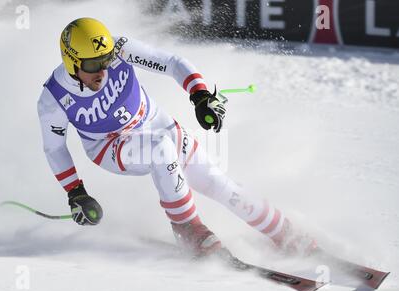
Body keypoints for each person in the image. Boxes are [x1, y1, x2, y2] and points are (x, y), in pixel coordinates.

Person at [37, 17, 315, 257]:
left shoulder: (118, 48)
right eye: (94, 64)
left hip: (155, 122)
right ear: (71, 62)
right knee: (160, 148)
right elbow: (55, 148)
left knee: (217, 182)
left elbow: (171, 62)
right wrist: (76, 193)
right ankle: (188, 229)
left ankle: (283, 233)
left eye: (106, 60)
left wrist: (199, 94)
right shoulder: (54, 98)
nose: (103, 70)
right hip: (108, 146)